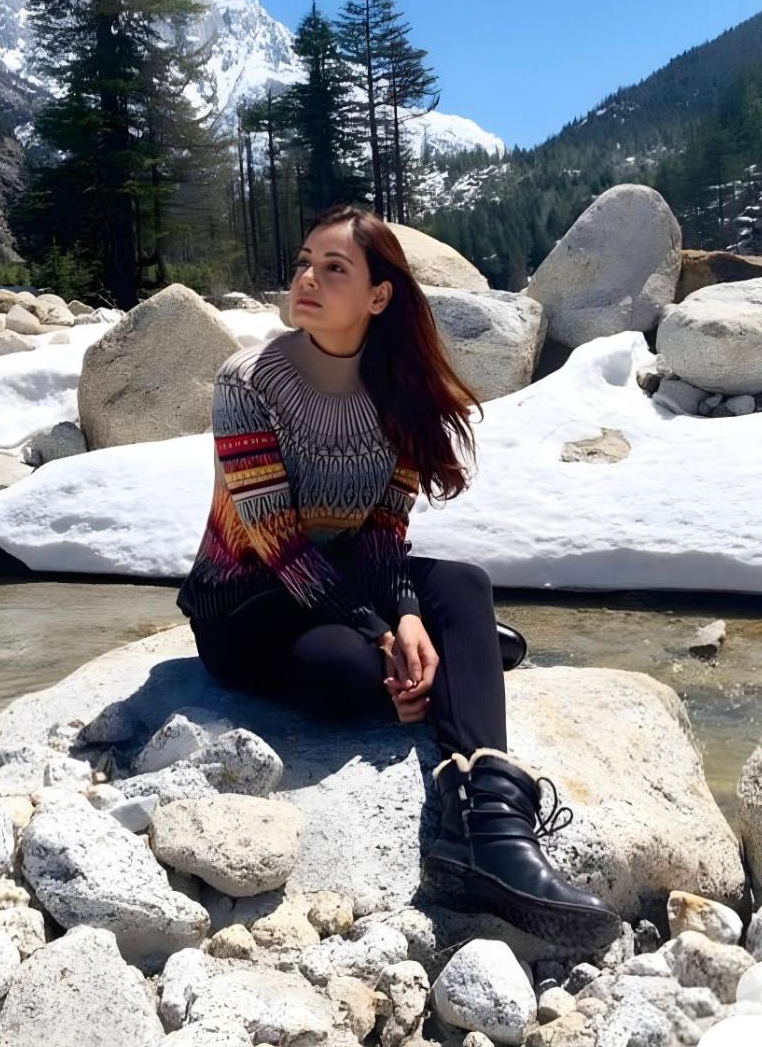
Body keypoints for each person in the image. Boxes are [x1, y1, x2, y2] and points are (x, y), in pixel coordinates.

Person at [176, 204, 620, 949]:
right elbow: (278, 543)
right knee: (350, 670)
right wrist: (383, 633)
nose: (307, 278)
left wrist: (408, 614)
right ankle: (462, 660)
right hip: (246, 600)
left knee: (463, 584)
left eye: (333, 268)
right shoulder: (247, 381)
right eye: (304, 262)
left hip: (343, 576)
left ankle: (487, 826)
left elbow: (383, 534)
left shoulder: (402, 391)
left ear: (379, 296)